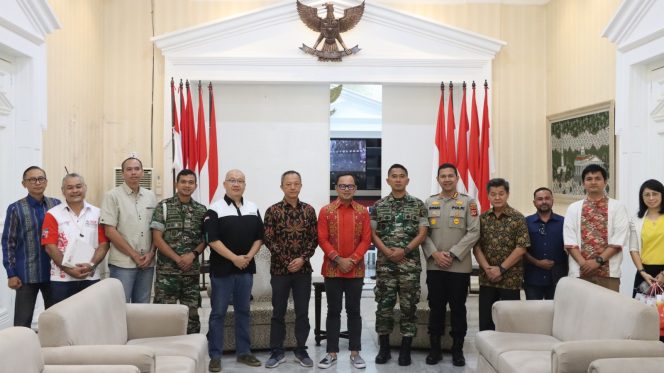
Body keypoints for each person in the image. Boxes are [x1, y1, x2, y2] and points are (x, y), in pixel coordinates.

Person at [203, 169, 263, 372]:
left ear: (245, 185)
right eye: (232, 180)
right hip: (222, 271)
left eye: (240, 181)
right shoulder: (215, 209)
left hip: (246, 269)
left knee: (243, 311)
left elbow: (259, 237)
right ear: (225, 184)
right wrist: (234, 258)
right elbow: (212, 240)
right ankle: (215, 355)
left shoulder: (253, 208)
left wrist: (247, 257)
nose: (236, 184)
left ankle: (244, 352)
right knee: (218, 313)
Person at [421, 163, 479, 366]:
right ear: (438, 179)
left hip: (458, 267)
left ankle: (457, 350)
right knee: (435, 308)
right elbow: (423, 233)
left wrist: (453, 254)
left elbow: (474, 232)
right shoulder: (429, 202)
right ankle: (435, 349)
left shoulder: (468, 202)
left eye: (450, 176)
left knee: (458, 308)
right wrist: (435, 254)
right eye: (442, 176)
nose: (446, 179)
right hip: (435, 266)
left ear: (456, 178)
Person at [371, 164, 428, 366]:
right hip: (385, 267)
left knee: (408, 308)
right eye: (394, 176)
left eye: (402, 176)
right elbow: (373, 234)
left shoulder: (418, 204)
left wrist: (403, 251)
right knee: (383, 307)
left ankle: (405, 350)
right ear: (387, 180)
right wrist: (387, 252)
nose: (398, 179)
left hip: (409, 266)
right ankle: (384, 349)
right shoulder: (378, 206)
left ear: (407, 180)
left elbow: (423, 233)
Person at [263, 170, 318, 368]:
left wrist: (301, 259)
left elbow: (314, 239)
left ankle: (301, 349)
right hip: (280, 270)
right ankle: (276, 351)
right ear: (282, 187)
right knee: (278, 312)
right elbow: (269, 239)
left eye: (296, 184)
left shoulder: (309, 211)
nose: (292, 187)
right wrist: (289, 260)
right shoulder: (273, 211)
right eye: (288, 184)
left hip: (303, 271)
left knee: (302, 312)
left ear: (301, 186)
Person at [317, 173, 371, 369]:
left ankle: (355, 353)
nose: (346, 189)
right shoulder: (326, 211)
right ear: (336, 188)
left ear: (355, 188)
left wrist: (353, 260)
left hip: (355, 271)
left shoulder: (363, 212)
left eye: (350, 186)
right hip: (332, 269)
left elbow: (366, 239)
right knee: (333, 311)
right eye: (342, 186)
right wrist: (339, 259)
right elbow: (322, 239)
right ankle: (331, 353)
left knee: (354, 311)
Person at [150, 169, 207, 334]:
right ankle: (163, 350)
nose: (187, 185)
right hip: (167, 275)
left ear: (195, 186)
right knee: (163, 316)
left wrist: (192, 255)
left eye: (191, 182)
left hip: (191, 273)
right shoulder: (164, 207)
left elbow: (205, 239)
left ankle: (191, 350)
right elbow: (157, 238)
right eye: (183, 182)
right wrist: (177, 259)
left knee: (192, 316)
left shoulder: (201, 210)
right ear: (176, 184)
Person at [2, 166, 60, 327]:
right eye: (32, 179)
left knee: (55, 319)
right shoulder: (15, 208)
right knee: (22, 321)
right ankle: (19, 351)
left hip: (54, 272)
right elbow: (8, 242)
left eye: (41, 178)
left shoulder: (56, 205)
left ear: (46, 182)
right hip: (26, 274)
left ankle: (51, 350)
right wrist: (11, 273)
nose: (37, 182)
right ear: (24, 184)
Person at [41, 173, 109, 304]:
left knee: (91, 318)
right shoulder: (52, 214)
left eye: (78, 186)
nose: (75, 191)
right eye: (70, 187)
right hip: (61, 279)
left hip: (91, 277)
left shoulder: (98, 213)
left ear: (85, 187)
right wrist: (68, 269)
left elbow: (104, 244)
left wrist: (91, 265)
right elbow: (50, 246)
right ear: (63, 191)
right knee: (61, 320)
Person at [473, 178, 530, 331]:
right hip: (487, 279)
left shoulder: (518, 218)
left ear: (507, 194)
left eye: (501, 194)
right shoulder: (482, 219)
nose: (497, 197)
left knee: (509, 323)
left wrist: (501, 269)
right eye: (493, 194)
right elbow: (476, 247)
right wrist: (488, 269)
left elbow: (521, 248)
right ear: (488, 196)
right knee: (486, 323)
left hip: (510, 279)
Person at [563, 164, 629, 292]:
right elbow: (569, 240)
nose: (593, 182)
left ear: (605, 182)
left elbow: (619, 240)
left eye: (597, 178)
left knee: (608, 310)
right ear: (583, 183)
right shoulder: (573, 208)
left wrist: (597, 261)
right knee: (581, 310)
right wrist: (583, 263)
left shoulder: (618, 207)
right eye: (589, 179)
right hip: (580, 271)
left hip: (608, 274)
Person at [100, 157, 157, 303]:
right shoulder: (112, 196)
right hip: (122, 264)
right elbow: (110, 231)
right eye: (129, 169)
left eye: (137, 169)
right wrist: (134, 255)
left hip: (147, 263)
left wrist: (151, 253)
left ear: (142, 172)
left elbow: (156, 228)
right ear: (123, 173)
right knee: (120, 306)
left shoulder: (150, 196)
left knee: (142, 306)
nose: (133, 173)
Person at [523, 187, 567, 300]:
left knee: (556, 313)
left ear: (552, 200)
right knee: (534, 313)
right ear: (534, 202)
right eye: (540, 199)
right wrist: (537, 262)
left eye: (547, 198)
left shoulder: (564, 222)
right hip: (533, 277)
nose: (544, 201)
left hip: (558, 277)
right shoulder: (525, 222)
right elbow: (521, 249)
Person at [629, 179, 664, 298]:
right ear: (642, 197)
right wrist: (642, 272)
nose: (651, 198)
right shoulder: (636, 220)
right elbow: (633, 249)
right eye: (647, 195)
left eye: (655, 194)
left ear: (662, 195)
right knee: (642, 313)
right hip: (645, 273)